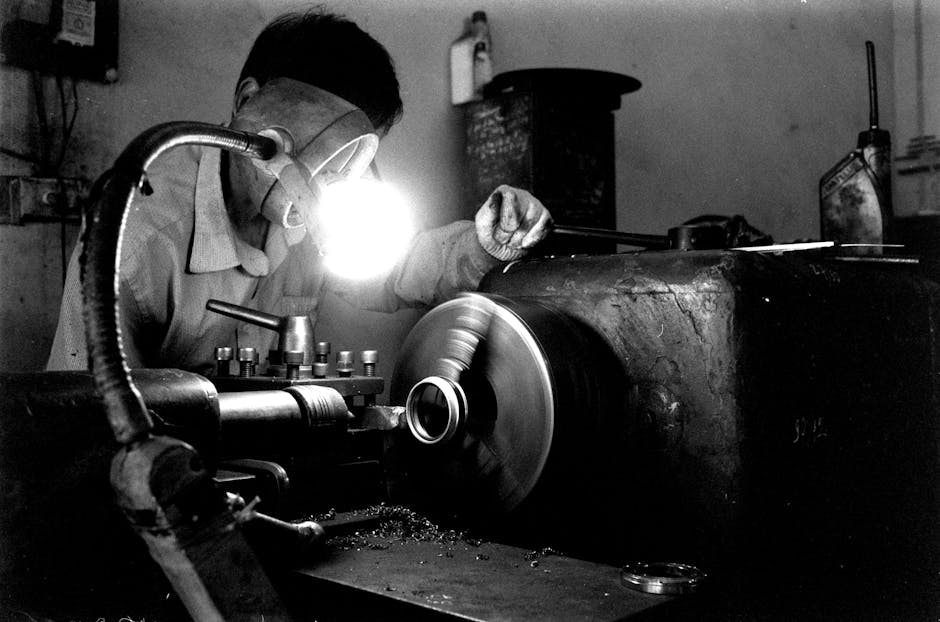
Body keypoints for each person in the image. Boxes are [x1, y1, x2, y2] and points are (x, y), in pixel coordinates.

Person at [46, 9, 552, 376]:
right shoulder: (141, 234)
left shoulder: (322, 213)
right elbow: (96, 419)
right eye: (329, 147)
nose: (338, 178)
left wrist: (485, 245)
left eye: (356, 155)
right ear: (249, 102)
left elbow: (401, 269)